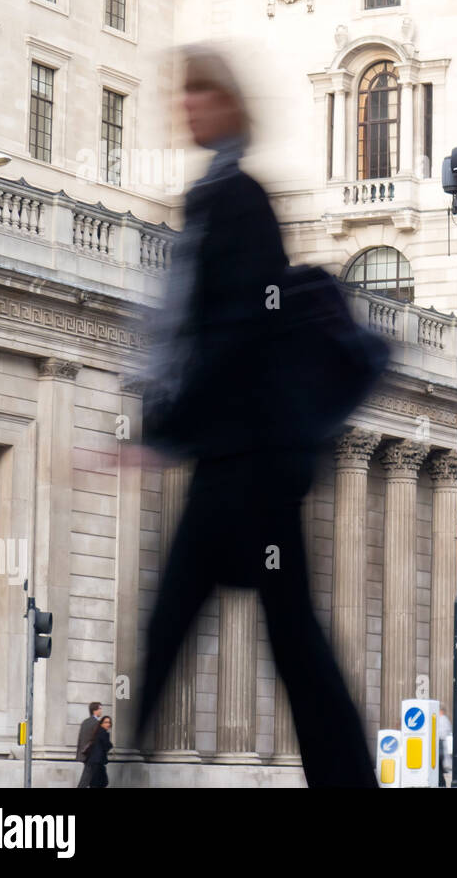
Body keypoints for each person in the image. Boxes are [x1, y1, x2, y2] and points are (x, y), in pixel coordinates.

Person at [132, 45, 386, 788]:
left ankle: (110, 778)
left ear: (227, 104)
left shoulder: (233, 199)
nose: (185, 107)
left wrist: (167, 428)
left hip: (241, 464)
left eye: (198, 95)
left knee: (181, 621)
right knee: (289, 637)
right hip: (251, 459)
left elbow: (235, 331)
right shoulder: (219, 195)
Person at [75, 701, 103, 789]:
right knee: (86, 780)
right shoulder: (96, 723)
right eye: (100, 709)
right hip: (93, 756)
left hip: (86, 755)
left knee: (93, 780)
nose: (101, 711)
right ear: (95, 710)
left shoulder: (85, 722)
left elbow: (80, 739)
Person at [83, 715, 113, 788]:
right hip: (97, 762)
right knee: (101, 782)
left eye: (109, 722)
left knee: (97, 783)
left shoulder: (97, 732)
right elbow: (106, 745)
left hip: (94, 762)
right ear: (101, 724)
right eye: (106, 722)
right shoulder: (103, 733)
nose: (108, 724)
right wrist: (110, 745)